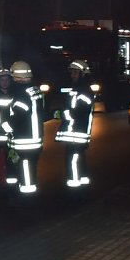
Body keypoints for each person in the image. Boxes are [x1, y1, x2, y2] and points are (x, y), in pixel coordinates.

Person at [55, 60, 95, 189]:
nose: (72, 75)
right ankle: (83, 182)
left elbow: (78, 112)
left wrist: (63, 113)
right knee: (79, 157)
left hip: (77, 132)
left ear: (83, 74)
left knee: (73, 159)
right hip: (74, 132)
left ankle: (75, 187)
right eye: (71, 72)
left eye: (75, 72)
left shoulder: (84, 92)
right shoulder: (77, 89)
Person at [8, 61, 45, 195]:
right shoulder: (34, 90)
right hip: (35, 138)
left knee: (25, 167)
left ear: (18, 77)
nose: (12, 80)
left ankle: (26, 196)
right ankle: (27, 192)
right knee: (30, 166)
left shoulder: (21, 94)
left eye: (13, 77)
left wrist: (5, 127)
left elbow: (19, 116)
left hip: (25, 138)